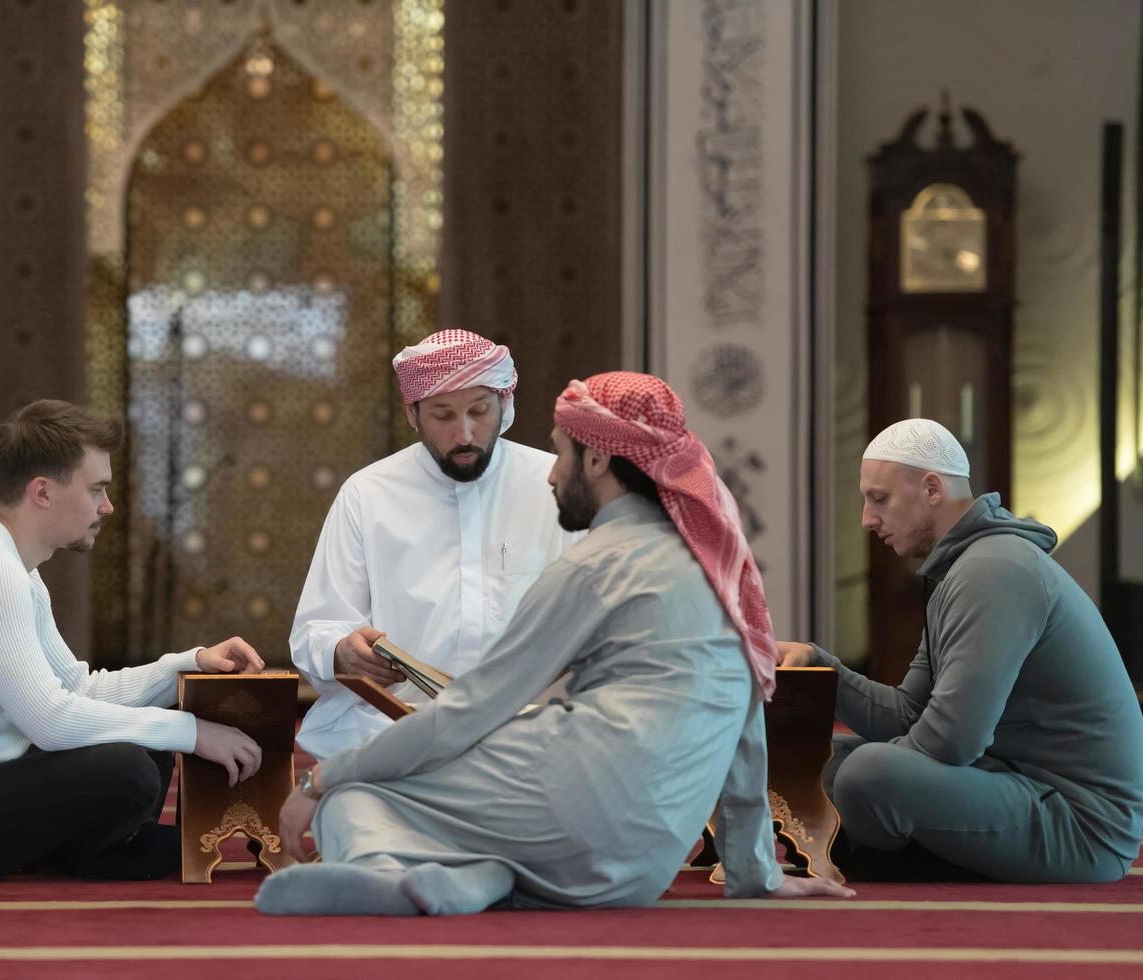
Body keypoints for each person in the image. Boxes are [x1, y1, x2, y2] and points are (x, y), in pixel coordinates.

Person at [255, 372, 854, 915]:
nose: (548, 472)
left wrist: (320, 781)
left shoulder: (597, 564)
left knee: (359, 793)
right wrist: (754, 871)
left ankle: (379, 870)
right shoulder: (720, 562)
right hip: (642, 867)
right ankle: (473, 881)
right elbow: (746, 724)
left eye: (560, 453)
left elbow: (469, 710)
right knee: (439, 789)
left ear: (595, 458)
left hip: (573, 803)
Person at [0, 399, 265, 881]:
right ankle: (87, 854)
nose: (108, 506)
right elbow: (51, 721)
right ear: (42, 492)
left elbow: (78, 691)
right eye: (97, 489)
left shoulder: (14, 565)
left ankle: (86, 853)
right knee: (129, 767)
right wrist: (194, 733)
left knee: (142, 743)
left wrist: (189, 664)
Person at [780, 417, 1143, 882]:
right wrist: (818, 665)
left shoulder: (993, 571)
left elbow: (951, 742)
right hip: (1020, 788)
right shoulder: (968, 567)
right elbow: (911, 714)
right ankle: (887, 840)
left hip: (1079, 826)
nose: (867, 520)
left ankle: (883, 848)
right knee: (826, 760)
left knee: (865, 773)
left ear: (932, 488)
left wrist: (872, 776)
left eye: (879, 499)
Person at [290, 329, 577, 759]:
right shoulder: (368, 493)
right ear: (413, 413)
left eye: (479, 411)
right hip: (397, 727)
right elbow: (315, 630)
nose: (464, 434)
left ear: (505, 403)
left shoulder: (556, 486)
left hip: (531, 731)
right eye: (443, 415)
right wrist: (342, 651)